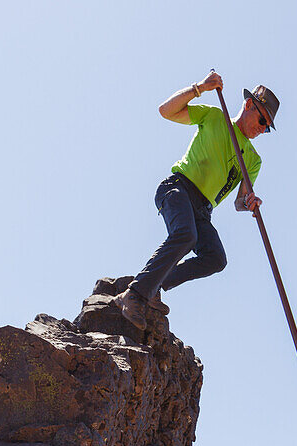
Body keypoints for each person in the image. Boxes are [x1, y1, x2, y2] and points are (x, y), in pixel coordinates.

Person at [116, 72, 279, 327]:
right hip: (178, 189)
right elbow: (165, 111)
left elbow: (240, 201)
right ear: (248, 105)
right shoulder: (214, 117)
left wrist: (250, 203)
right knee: (185, 234)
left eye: (267, 127)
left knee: (216, 258)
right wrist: (199, 87)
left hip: (203, 210)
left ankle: (156, 284)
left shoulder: (253, 160)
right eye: (261, 119)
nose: (261, 128)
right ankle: (134, 294)